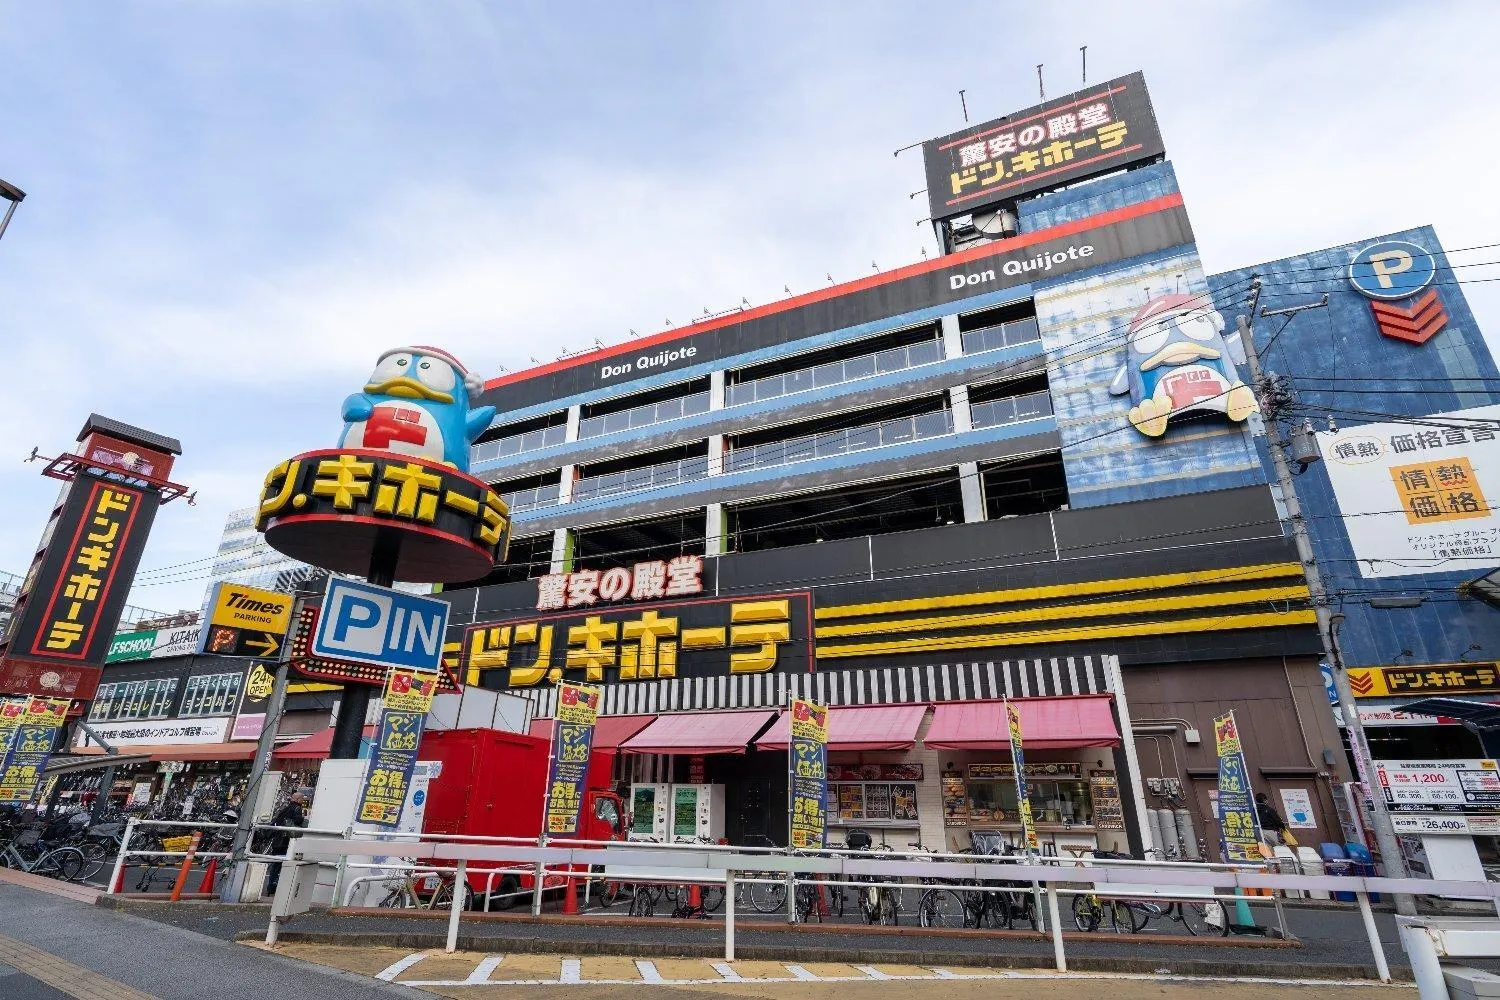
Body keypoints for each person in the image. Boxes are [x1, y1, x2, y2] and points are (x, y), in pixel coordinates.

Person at [263, 791, 308, 895]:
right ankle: (279, 886)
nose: (302, 801)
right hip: (286, 840)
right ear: (298, 799)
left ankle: (271, 887)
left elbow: (278, 821)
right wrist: (303, 819)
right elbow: (297, 821)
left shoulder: (285, 809)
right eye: (302, 799)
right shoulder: (297, 808)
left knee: (276, 864)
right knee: (284, 863)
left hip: (278, 840)